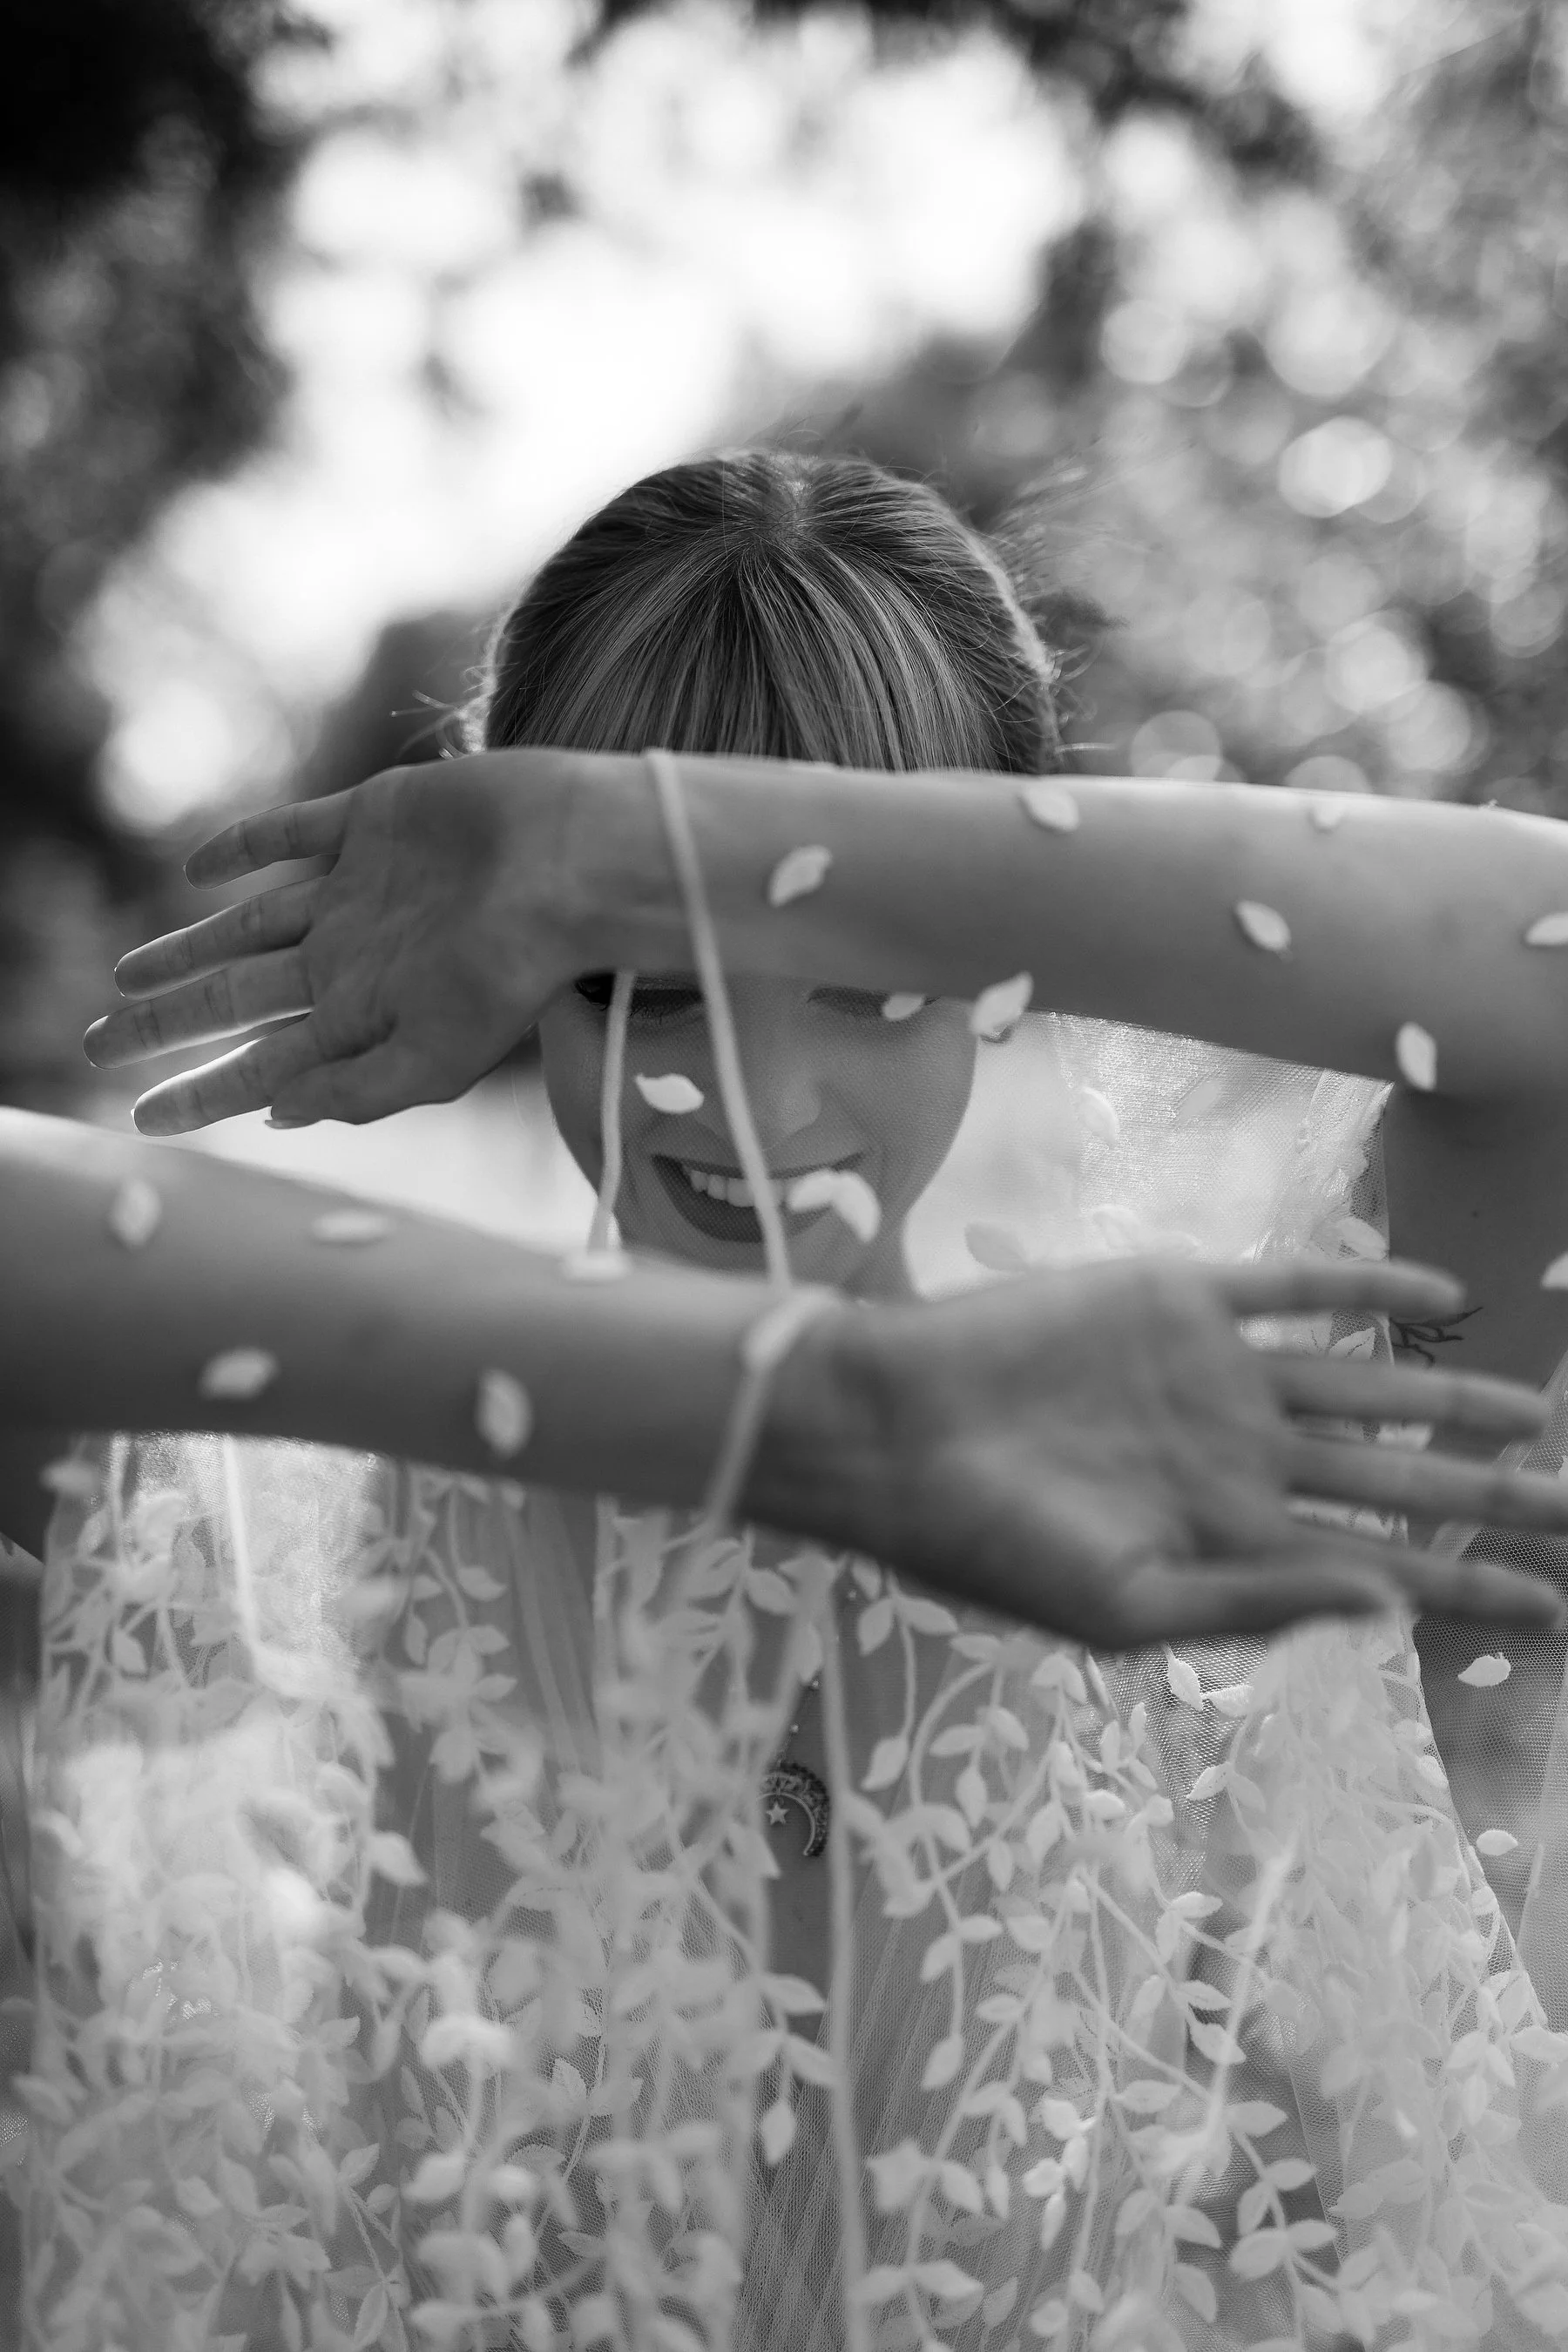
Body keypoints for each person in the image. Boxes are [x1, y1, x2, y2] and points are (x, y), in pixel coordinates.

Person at [32, 448, 1568, 2349]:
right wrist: (819, 1409)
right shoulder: (311, 1519)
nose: (749, 1106)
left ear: (999, 963)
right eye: (641, 986)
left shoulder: (1216, 1465)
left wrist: (660, 847)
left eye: (866, 983)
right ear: (525, 974)